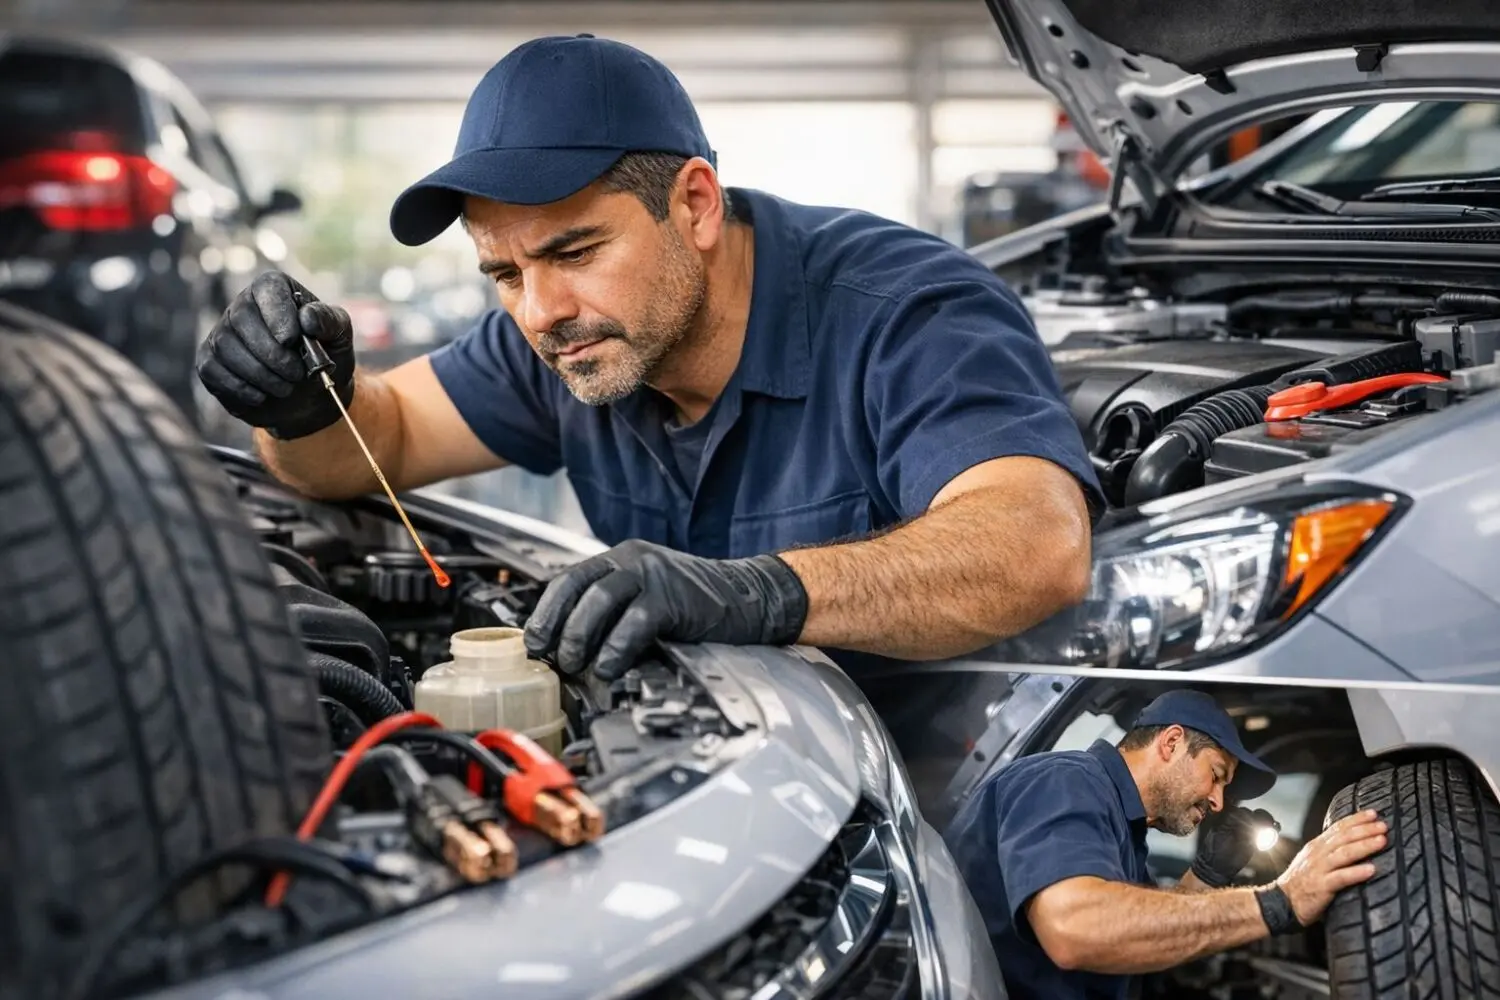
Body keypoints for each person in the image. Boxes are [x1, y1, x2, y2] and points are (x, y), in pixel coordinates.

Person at [196, 34, 1104, 682]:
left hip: (951, 800)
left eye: (575, 252)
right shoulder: (566, 334)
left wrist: (753, 595)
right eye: (504, 273)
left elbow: (1037, 545)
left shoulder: (905, 312)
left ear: (697, 205)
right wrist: (301, 403)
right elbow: (376, 448)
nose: (541, 311)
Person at [944, 690, 1387, 1000]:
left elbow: (1135, 934)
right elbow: (1075, 929)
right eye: (1217, 776)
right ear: (1172, 742)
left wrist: (1206, 877)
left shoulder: (1124, 830)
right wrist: (1281, 901)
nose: (1217, 802)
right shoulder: (1066, 781)